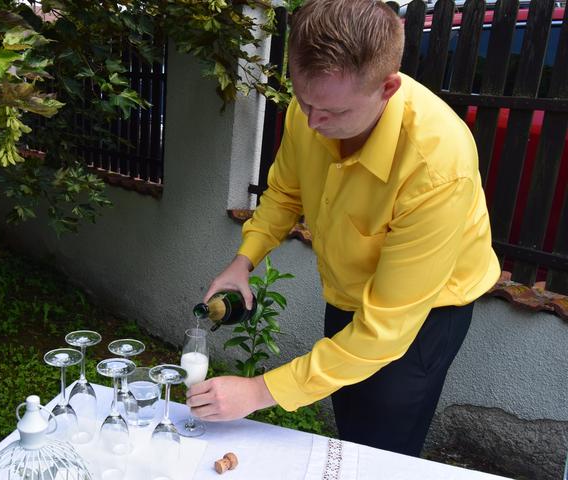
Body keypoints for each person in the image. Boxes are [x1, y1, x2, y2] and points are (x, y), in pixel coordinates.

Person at [186, 0, 500, 457]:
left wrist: (259, 391)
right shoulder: (315, 107)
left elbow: (383, 332)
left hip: (423, 315)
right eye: (304, 101)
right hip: (347, 293)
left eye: (332, 112)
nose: (313, 123)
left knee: (380, 450)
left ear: (387, 88)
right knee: (350, 422)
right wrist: (243, 261)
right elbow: (284, 194)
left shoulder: (438, 167)